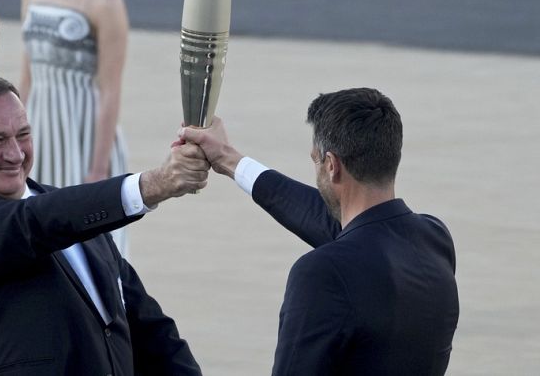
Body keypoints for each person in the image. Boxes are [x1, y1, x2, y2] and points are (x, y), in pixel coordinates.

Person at [0, 74, 205, 375]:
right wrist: (153, 185)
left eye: (23, 134)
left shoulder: (74, 212)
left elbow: (148, 328)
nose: (15, 153)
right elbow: (30, 223)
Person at [181, 87, 459, 375]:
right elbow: (337, 222)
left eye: (316, 160)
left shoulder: (323, 273)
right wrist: (228, 158)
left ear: (331, 165)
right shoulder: (434, 239)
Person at [19, 0, 130, 255]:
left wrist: (97, 169)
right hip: (39, 130)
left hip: (83, 134)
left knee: (86, 248)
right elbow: (26, 77)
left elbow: (110, 87)